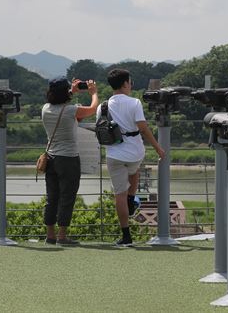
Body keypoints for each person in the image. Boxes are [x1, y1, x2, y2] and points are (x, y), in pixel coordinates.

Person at [101, 68, 165, 247]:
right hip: (135, 152)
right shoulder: (134, 103)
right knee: (134, 170)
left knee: (118, 194)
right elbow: (143, 128)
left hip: (114, 153)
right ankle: (131, 198)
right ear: (125, 84)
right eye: (130, 82)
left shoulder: (103, 106)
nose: (131, 85)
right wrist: (158, 148)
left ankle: (126, 236)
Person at [41, 77, 99, 245]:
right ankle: (62, 236)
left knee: (52, 198)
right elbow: (93, 109)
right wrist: (93, 92)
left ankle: (50, 235)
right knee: (67, 197)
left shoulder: (45, 109)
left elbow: (61, 103)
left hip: (50, 157)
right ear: (64, 93)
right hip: (68, 160)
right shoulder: (71, 110)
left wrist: (72, 91)